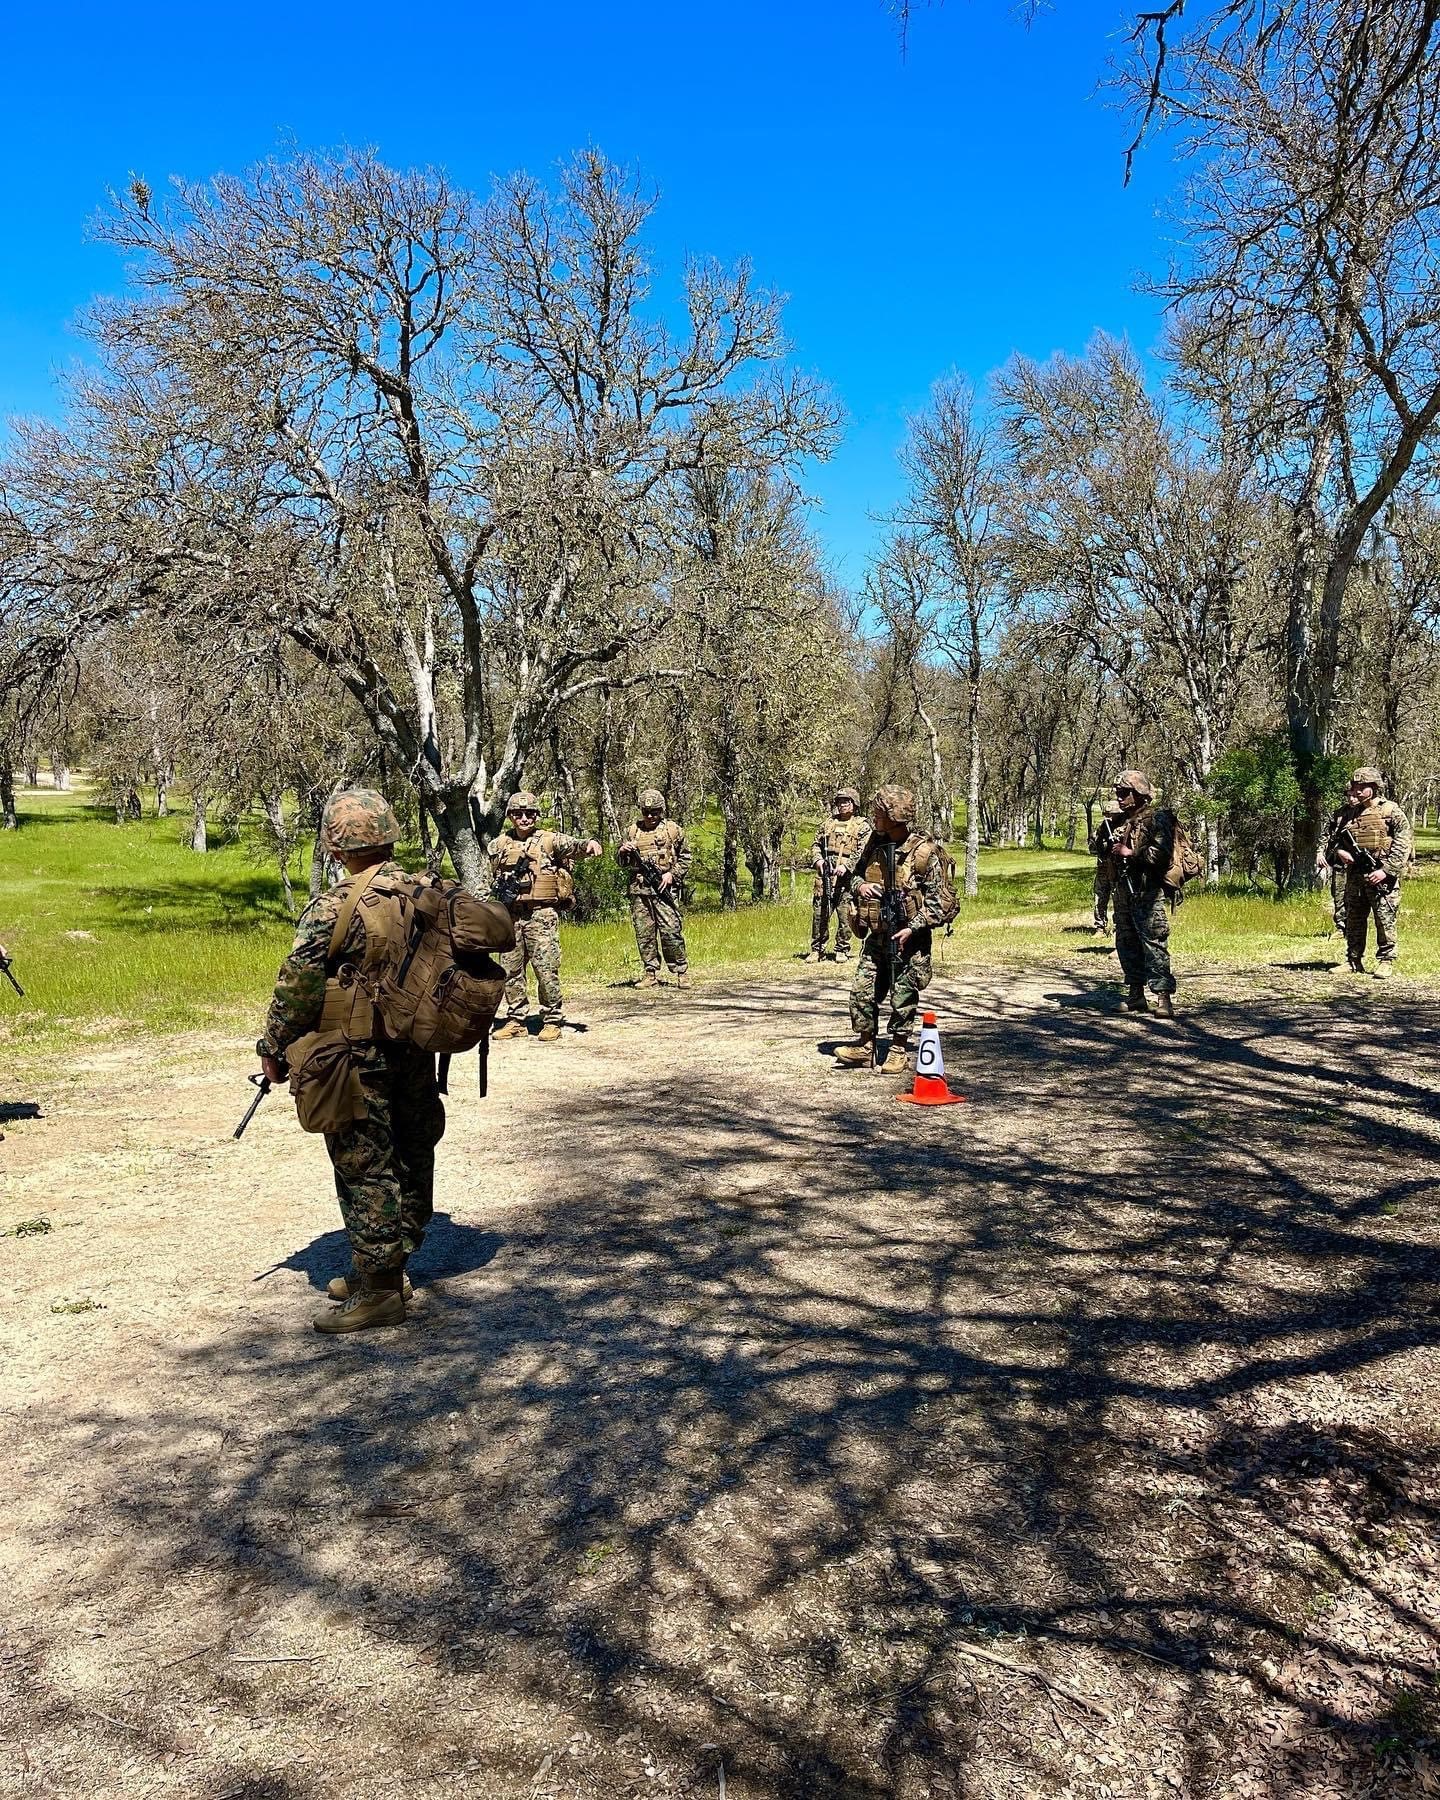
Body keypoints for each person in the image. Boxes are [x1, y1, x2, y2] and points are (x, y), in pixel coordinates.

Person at [257, 789, 444, 1335]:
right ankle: (385, 1266)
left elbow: (298, 986)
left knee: (365, 1166)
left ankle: (382, 1294)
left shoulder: (333, 906)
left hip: (356, 1057)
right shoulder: (424, 893)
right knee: (411, 1152)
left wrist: (274, 1049)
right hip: (414, 1049)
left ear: (336, 846)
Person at [834, 785, 948, 1071]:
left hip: (908, 939)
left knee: (903, 993)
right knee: (862, 989)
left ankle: (898, 1047)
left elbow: (941, 903)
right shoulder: (872, 843)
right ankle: (865, 1046)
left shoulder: (924, 853)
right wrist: (863, 886)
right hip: (877, 933)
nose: (873, 818)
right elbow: (854, 876)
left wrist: (914, 926)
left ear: (893, 817)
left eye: (879, 813)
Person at [489, 792, 601, 1041]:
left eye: (530, 813)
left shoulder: (549, 840)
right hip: (511, 915)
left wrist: (589, 844)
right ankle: (516, 1019)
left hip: (541, 916)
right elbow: (492, 878)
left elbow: (575, 845)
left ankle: (552, 1019)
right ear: (510, 816)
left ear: (537, 816)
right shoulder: (500, 845)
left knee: (546, 969)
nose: (524, 818)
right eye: (518, 814)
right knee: (510, 970)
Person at [1327, 766, 1413, 978]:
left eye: (1362, 786)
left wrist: (1386, 871)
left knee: (1384, 919)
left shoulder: (1391, 811)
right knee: (1354, 919)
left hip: (1382, 876)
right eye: (1354, 786)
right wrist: (1339, 852)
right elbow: (1332, 841)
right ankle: (1353, 960)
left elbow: (1403, 843)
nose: (1356, 790)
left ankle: (1386, 961)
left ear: (1374, 788)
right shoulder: (1347, 814)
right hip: (1355, 876)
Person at [1108, 769, 1179, 1018]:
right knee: (1127, 942)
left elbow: (1160, 855)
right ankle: (1135, 995)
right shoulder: (1122, 821)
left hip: (1148, 893)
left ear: (1139, 794)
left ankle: (1163, 998)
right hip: (1125, 892)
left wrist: (1131, 853)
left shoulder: (1156, 820)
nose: (1119, 798)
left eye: (1124, 793)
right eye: (1118, 793)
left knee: (1154, 943)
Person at [618, 790, 693, 988]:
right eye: (646, 812)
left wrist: (672, 875)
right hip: (639, 891)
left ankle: (681, 971)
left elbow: (686, 857)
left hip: (663, 889)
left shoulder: (672, 830)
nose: (650, 816)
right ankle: (650, 973)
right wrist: (623, 852)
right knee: (644, 933)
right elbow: (622, 863)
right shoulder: (632, 831)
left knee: (671, 931)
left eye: (654, 812)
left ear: (661, 811)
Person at [807, 786, 867, 962]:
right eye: (840, 802)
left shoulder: (862, 826)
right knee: (820, 913)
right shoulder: (828, 824)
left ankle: (842, 948)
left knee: (845, 914)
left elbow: (862, 850)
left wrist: (847, 866)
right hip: (825, 875)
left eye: (846, 801)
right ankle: (817, 949)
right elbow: (816, 844)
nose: (842, 805)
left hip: (847, 878)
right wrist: (818, 861)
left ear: (854, 804)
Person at [1088, 800, 1124, 937]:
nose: (1109, 817)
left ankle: (1119, 928)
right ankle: (1100, 927)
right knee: (1099, 897)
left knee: (1119, 899)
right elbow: (1093, 848)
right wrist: (1098, 843)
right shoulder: (1103, 827)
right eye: (1107, 814)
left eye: (1112, 814)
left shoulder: (1124, 826)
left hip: (1118, 868)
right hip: (1103, 866)